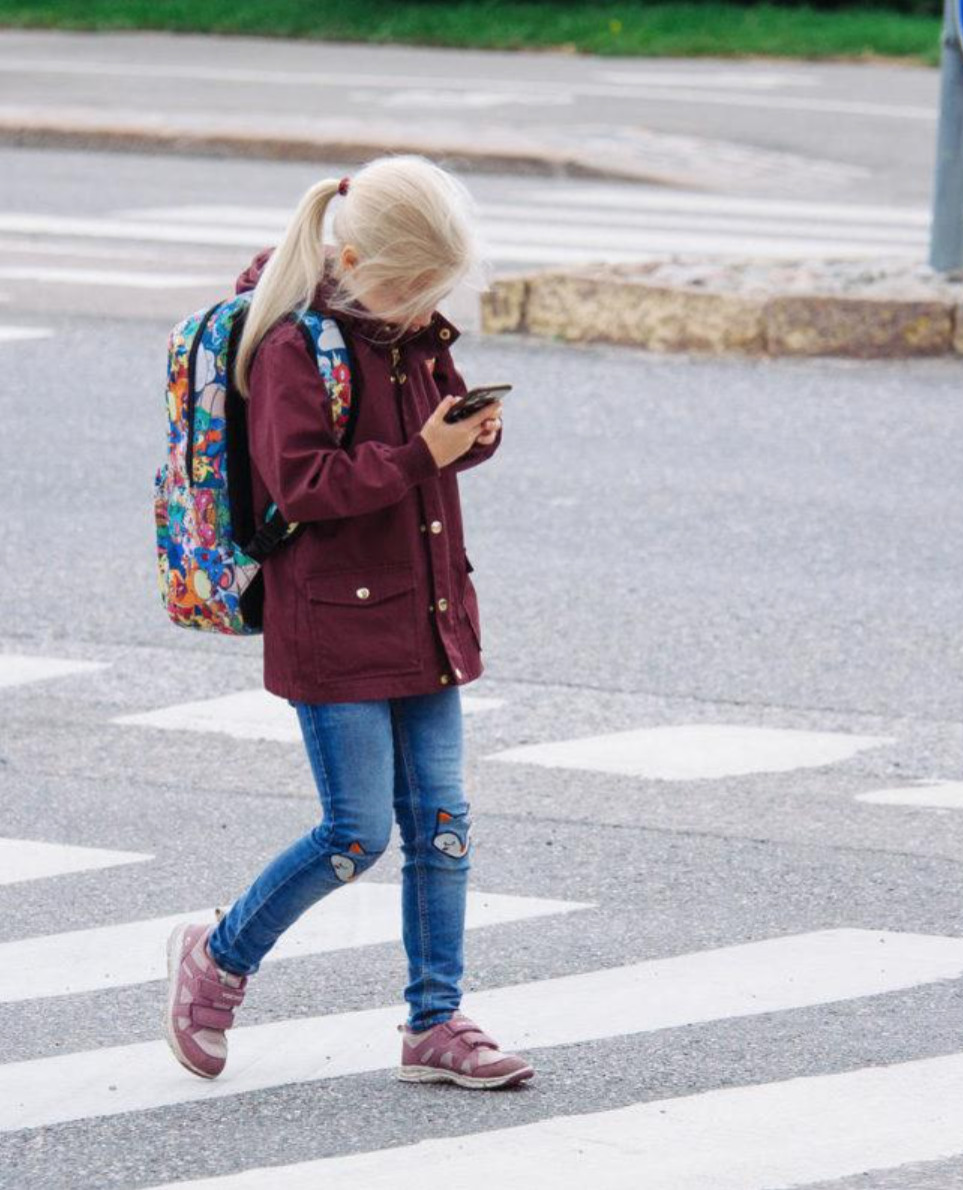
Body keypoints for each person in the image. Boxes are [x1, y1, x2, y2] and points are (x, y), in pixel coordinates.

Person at [163, 154, 533, 1090]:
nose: (424, 305)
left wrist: (469, 442)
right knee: (356, 834)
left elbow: (425, 461)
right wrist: (421, 455)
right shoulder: (293, 348)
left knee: (443, 826)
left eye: (436, 290)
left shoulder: (417, 335)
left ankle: (435, 1022)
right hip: (333, 626)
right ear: (359, 260)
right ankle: (219, 956)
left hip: (429, 617)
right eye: (411, 287)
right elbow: (307, 486)